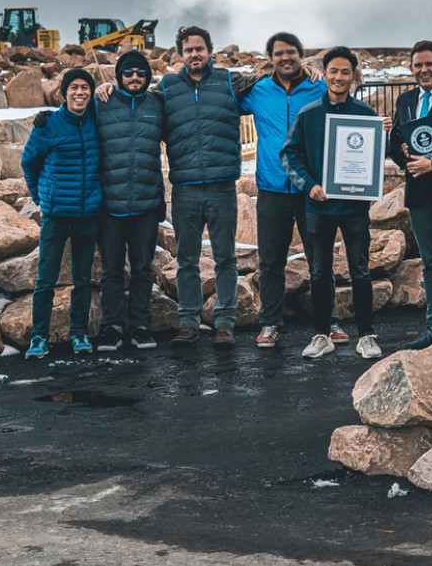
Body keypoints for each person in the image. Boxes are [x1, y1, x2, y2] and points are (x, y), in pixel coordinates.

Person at [146, 26, 267, 350]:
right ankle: (188, 322)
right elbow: (136, 103)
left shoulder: (229, 81)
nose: (194, 54)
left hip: (221, 187)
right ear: (181, 55)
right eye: (188, 50)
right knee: (187, 258)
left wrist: (306, 70)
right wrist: (103, 88)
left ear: (209, 51)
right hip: (184, 188)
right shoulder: (168, 87)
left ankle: (224, 322)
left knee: (226, 257)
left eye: (200, 48)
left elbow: (271, 79)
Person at [282, 46, 383, 360]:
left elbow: (377, 156)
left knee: (361, 271)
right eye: (333, 71)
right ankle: (322, 334)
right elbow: (290, 155)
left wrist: (385, 134)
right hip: (320, 206)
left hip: (354, 208)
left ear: (354, 77)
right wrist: (309, 185)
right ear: (325, 74)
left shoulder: (366, 115)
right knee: (320, 272)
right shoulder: (309, 114)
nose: (339, 77)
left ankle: (366, 335)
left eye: (345, 72)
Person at [241, 32, 325, 349]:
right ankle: (270, 323)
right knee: (271, 261)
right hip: (272, 189)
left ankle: (327, 321)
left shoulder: (320, 86)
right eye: (278, 53)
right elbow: (222, 102)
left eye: (291, 52)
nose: (285, 57)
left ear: (301, 55)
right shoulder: (258, 91)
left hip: (310, 188)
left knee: (320, 260)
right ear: (270, 58)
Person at [20, 68, 103, 358]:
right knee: (46, 280)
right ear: (64, 92)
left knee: (83, 279)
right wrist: (40, 196)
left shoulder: (96, 121)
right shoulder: (48, 125)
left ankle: (79, 333)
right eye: (74, 87)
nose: (80, 92)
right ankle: (38, 336)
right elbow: (28, 162)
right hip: (55, 215)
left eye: (85, 88)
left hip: (88, 215)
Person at [387, 40, 432, 349]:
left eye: (429, 64)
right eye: (418, 65)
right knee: (431, 262)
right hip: (419, 193)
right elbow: (395, 141)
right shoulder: (405, 101)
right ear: (411, 69)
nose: (424, 70)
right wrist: (403, 154)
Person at [93, 50, 165, 351]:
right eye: (128, 73)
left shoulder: (158, 104)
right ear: (118, 76)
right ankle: (110, 327)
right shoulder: (103, 103)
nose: (134, 77)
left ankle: (139, 326)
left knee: (141, 269)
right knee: (111, 271)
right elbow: (73, 117)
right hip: (110, 205)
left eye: (140, 72)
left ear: (147, 76)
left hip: (146, 204)